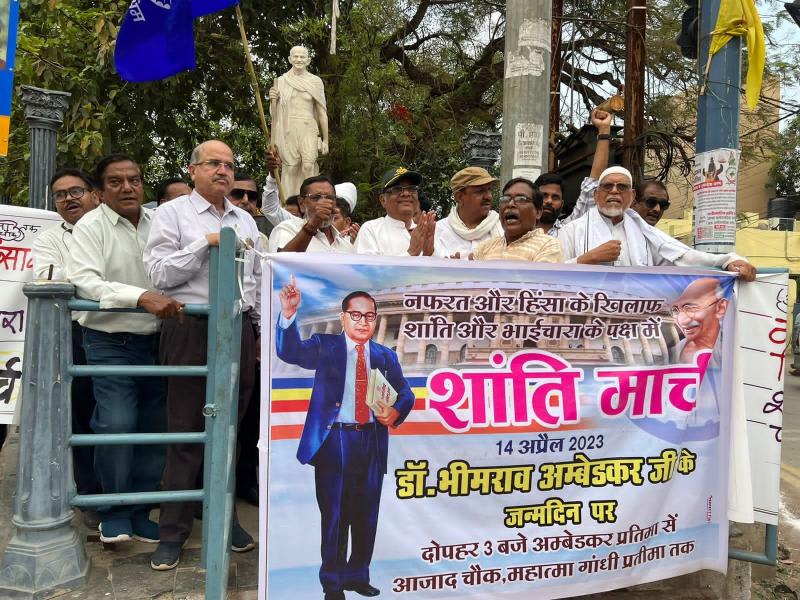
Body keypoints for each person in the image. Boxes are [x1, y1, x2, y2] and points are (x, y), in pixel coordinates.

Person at [143, 140, 261, 570]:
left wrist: (258, 334)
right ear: (193, 170)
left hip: (238, 327)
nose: (224, 171)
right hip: (190, 325)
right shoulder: (172, 215)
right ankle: (173, 532)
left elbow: (255, 282)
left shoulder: (246, 221)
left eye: (229, 164)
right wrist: (206, 245)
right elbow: (158, 275)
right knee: (186, 430)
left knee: (229, 429)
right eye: (214, 163)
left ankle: (223, 519)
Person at [67, 154, 183, 544]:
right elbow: (85, 281)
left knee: (155, 427)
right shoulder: (90, 226)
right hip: (108, 341)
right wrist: (140, 297)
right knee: (116, 423)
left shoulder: (159, 222)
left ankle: (139, 509)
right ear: (100, 192)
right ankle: (113, 509)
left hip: (158, 340)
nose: (127, 187)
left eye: (133, 180)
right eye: (115, 182)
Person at [275, 280, 415, 600]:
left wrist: (396, 411)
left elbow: (405, 392)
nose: (363, 322)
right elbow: (290, 351)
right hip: (334, 440)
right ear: (343, 318)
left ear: (376, 320)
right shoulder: (326, 345)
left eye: (369, 316)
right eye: (356, 315)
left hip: (371, 441)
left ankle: (357, 575)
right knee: (336, 515)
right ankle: (333, 584)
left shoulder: (385, 355)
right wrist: (288, 314)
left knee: (366, 515)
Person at [33, 168, 102, 526]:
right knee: (82, 416)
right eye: (61, 194)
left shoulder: (119, 229)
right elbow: (48, 278)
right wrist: (95, 280)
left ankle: (133, 493)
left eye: (77, 190)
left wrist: (88, 281)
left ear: (95, 195)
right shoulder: (48, 239)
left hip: (125, 331)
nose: (69, 198)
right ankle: (90, 496)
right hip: (75, 336)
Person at [557, 166, 757, 281]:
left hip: (633, 325)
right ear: (596, 194)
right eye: (608, 186)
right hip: (583, 324)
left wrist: (728, 260)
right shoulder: (571, 230)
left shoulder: (645, 234)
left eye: (622, 187)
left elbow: (683, 258)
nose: (615, 191)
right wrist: (589, 258)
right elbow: (548, 276)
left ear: (632, 195)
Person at [537, 108, 613, 238]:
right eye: (544, 195)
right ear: (533, 199)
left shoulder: (568, 230)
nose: (549, 201)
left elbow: (593, 185)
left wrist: (604, 130)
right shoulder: (516, 232)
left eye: (555, 197)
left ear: (562, 204)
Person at [269, 46, 329, 198]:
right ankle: (288, 204)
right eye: (295, 57)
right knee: (290, 167)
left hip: (308, 127)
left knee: (308, 165)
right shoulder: (282, 81)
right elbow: (274, 115)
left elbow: (322, 112)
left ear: (308, 60)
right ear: (290, 59)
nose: (299, 60)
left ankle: (310, 202)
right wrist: (273, 100)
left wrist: (326, 140)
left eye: (302, 57)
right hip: (288, 128)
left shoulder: (315, 82)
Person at [472, 178, 563, 262]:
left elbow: (538, 279)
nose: (510, 204)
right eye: (505, 199)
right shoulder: (485, 247)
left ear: (538, 212)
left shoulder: (548, 246)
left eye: (521, 199)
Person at [355, 167, 436, 256]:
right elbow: (366, 269)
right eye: (397, 189)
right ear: (383, 200)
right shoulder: (371, 230)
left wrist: (429, 253)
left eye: (411, 189)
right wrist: (411, 253)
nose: (406, 194)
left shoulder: (428, 232)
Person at [267, 175, 355, 253]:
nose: (324, 202)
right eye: (316, 197)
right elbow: (282, 265)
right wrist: (312, 226)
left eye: (330, 198)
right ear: (301, 203)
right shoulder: (288, 229)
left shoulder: (346, 244)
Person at [434, 166, 502, 258]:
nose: (488, 196)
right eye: (480, 191)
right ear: (460, 197)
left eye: (489, 189)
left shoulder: (503, 228)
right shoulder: (437, 231)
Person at [670, 278, 729, 363]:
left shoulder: (732, 347)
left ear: (720, 308)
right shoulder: (673, 353)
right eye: (675, 310)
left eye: (691, 308)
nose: (682, 321)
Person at [230, 172, 273, 237]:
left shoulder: (262, 239)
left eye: (252, 195)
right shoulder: (211, 232)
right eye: (237, 194)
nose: (245, 200)